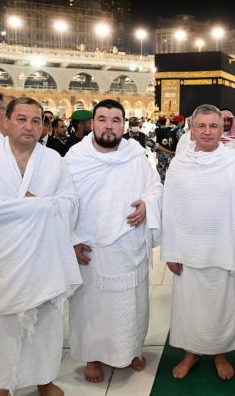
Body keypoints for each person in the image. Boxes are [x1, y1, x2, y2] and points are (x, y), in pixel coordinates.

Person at [0, 96, 82, 396]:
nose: (29, 126)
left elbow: (71, 202)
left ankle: (44, 380)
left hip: (42, 258)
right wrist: (35, 208)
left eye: (36, 120)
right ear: (5, 121)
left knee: (46, 325)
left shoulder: (52, 160)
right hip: (1, 260)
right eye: (22, 119)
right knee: (1, 327)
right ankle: (3, 384)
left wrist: (37, 205)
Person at [64, 99, 162, 384]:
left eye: (115, 120)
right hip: (91, 247)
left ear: (123, 125)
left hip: (128, 246)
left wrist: (147, 204)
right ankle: (93, 356)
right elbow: (62, 202)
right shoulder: (74, 158)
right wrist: (70, 240)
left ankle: (130, 350)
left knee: (131, 304)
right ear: (92, 123)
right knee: (91, 307)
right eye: (103, 119)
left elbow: (155, 187)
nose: (109, 125)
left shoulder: (135, 155)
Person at [161, 104, 235, 381]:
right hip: (188, 249)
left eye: (213, 126)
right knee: (189, 305)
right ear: (191, 129)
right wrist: (171, 251)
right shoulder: (180, 163)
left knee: (221, 303)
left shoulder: (231, 161)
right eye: (200, 126)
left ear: (222, 128)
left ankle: (220, 353)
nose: (207, 131)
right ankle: (190, 353)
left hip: (223, 246)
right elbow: (171, 208)